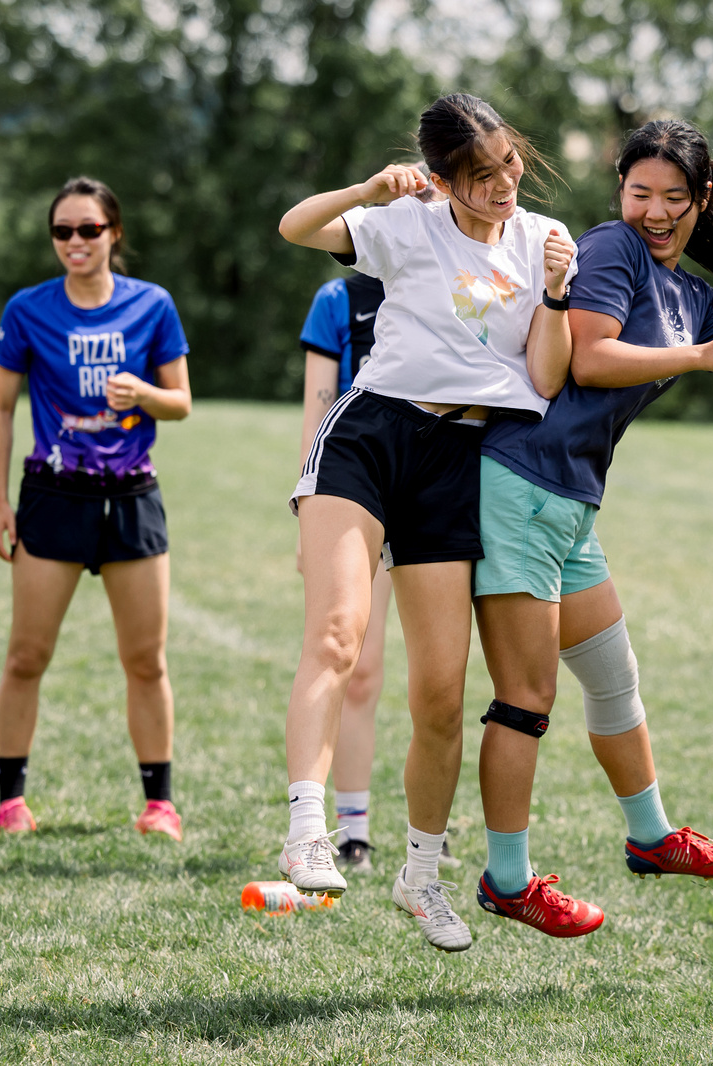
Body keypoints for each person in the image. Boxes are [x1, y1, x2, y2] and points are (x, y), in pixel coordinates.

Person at [471, 119, 713, 936]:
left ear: (700, 202)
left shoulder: (692, 297)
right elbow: (590, 358)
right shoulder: (610, 250)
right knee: (526, 699)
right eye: (639, 191)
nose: (653, 211)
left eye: (672, 197)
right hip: (516, 485)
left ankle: (652, 839)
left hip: (571, 506)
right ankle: (506, 880)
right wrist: (693, 359)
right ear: (621, 192)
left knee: (614, 679)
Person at [276, 93, 575, 952]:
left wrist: (556, 292)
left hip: (459, 463)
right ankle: (306, 829)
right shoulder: (403, 223)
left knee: (442, 694)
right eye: (480, 178)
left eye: (509, 165)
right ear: (444, 178)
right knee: (338, 633)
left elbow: (546, 378)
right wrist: (368, 189)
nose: (502, 186)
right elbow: (297, 228)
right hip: (371, 438)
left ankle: (421, 874)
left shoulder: (543, 239)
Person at [0, 176, 192, 840]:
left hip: (132, 497)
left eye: (89, 230)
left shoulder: (152, 305)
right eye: (63, 231)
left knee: (146, 659)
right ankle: (11, 802)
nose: (75, 242)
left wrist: (144, 394)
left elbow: (182, 401)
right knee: (26, 655)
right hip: (53, 495)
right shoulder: (27, 309)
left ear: (114, 233)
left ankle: (159, 804)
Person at [295, 165, 458, 876]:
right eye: (409, 194)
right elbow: (318, 400)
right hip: (360, 476)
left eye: (431, 193)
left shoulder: (465, 279)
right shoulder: (339, 296)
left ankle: (427, 833)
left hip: (434, 481)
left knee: (437, 676)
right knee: (355, 663)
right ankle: (349, 828)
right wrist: (307, 510)